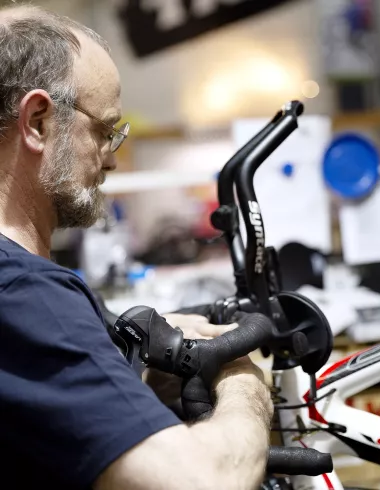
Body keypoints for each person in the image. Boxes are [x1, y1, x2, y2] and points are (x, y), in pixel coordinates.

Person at [0, 5, 273, 490]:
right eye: (106, 132)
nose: (111, 162)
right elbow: (202, 483)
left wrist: (139, 372)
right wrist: (245, 384)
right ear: (38, 121)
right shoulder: (25, 293)